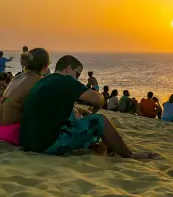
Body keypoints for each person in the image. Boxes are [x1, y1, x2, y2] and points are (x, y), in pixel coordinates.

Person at [19, 55, 157, 159]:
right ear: (68, 69)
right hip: (47, 145)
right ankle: (129, 155)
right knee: (100, 120)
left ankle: (100, 146)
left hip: (28, 143)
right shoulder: (66, 80)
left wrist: (82, 111)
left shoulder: (44, 81)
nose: (77, 78)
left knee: (74, 115)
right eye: (77, 74)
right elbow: (97, 99)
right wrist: (100, 100)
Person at [0, 48, 50, 145]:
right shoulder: (38, 81)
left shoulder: (18, 77)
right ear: (45, 65)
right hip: (14, 135)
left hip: (0, 131)